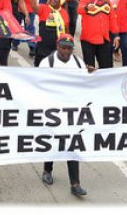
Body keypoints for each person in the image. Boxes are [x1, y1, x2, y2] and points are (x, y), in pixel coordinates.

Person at [38, 33, 94, 197]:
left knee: (72, 145)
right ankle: (47, 169)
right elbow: (38, 84)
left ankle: (75, 183)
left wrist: (90, 74)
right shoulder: (47, 63)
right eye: (63, 47)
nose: (66, 51)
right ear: (57, 46)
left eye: (69, 48)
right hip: (53, 110)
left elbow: (85, 84)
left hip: (71, 111)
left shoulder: (78, 63)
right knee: (52, 142)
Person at [77, 0, 118, 69]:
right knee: (89, 68)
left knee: (106, 68)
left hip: (104, 39)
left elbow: (112, 19)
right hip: (88, 40)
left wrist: (115, 35)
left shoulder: (107, 1)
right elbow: (79, 10)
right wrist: (87, 8)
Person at [30, 0, 69, 66]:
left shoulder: (64, 12)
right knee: (40, 66)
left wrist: (68, 42)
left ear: (60, 1)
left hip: (57, 46)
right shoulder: (44, 8)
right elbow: (34, 6)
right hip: (43, 45)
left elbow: (66, 28)